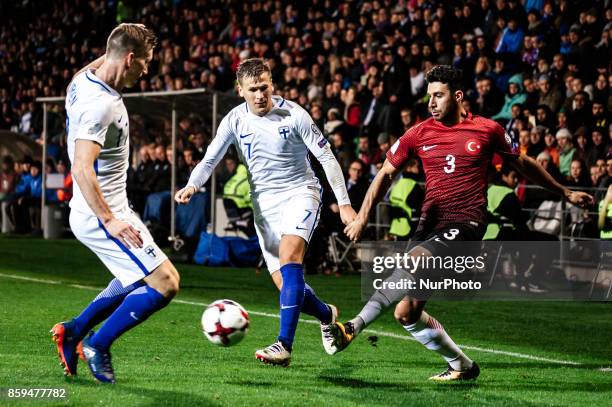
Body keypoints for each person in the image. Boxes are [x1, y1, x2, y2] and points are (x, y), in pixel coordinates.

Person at [328, 66, 592, 381]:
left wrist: (565, 192)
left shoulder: (487, 130)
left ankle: (353, 327)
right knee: (407, 313)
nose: (431, 103)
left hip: (466, 222)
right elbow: (385, 173)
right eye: (429, 96)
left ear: (457, 96)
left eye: (438, 95)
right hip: (430, 224)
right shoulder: (419, 132)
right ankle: (462, 366)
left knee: (413, 261)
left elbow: (522, 163)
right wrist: (361, 217)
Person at [175, 58, 357, 367]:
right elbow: (210, 158)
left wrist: (344, 203)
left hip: (301, 192)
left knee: (290, 257)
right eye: (253, 90)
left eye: (264, 87)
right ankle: (327, 315)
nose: (260, 95)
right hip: (264, 208)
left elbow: (326, 158)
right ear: (240, 90)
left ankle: (284, 345)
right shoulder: (234, 119)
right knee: (288, 287)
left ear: (271, 84)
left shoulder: (295, 114)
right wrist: (193, 185)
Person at [50, 24, 180, 384]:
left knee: (132, 278)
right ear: (130, 59)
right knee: (166, 283)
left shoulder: (82, 81)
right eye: (146, 62)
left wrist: (117, 45)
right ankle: (98, 344)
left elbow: (95, 65)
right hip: (100, 213)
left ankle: (74, 329)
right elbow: (80, 166)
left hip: (108, 206)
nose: (147, 70)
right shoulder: (101, 106)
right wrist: (110, 220)